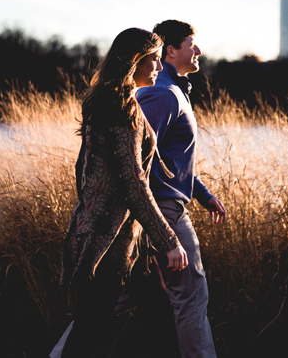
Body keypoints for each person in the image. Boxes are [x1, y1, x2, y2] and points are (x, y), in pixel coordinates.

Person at [59, 27, 188, 358]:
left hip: (128, 238)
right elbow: (134, 182)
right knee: (90, 330)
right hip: (110, 241)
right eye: (155, 61)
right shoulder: (119, 108)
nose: (160, 68)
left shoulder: (110, 100)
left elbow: (83, 171)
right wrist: (169, 241)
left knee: (160, 318)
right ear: (135, 62)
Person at [136, 19, 227, 358]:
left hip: (156, 206)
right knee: (191, 295)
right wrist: (158, 214)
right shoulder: (162, 93)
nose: (198, 50)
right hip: (163, 210)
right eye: (192, 44)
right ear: (171, 51)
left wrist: (203, 195)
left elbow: (167, 160)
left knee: (118, 295)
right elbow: (140, 158)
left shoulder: (174, 91)